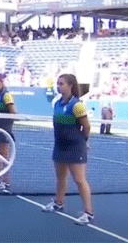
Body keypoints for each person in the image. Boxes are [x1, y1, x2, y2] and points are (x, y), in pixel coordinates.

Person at [42, 74, 94, 226]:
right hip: (60, 146)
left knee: (79, 180)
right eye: (58, 84)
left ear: (71, 85)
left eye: (62, 84)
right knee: (60, 178)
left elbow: (87, 127)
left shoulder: (77, 105)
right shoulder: (57, 103)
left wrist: (83, 142)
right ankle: (59, 203)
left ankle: (88, 213)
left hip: (75, 147)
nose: (59, 86)